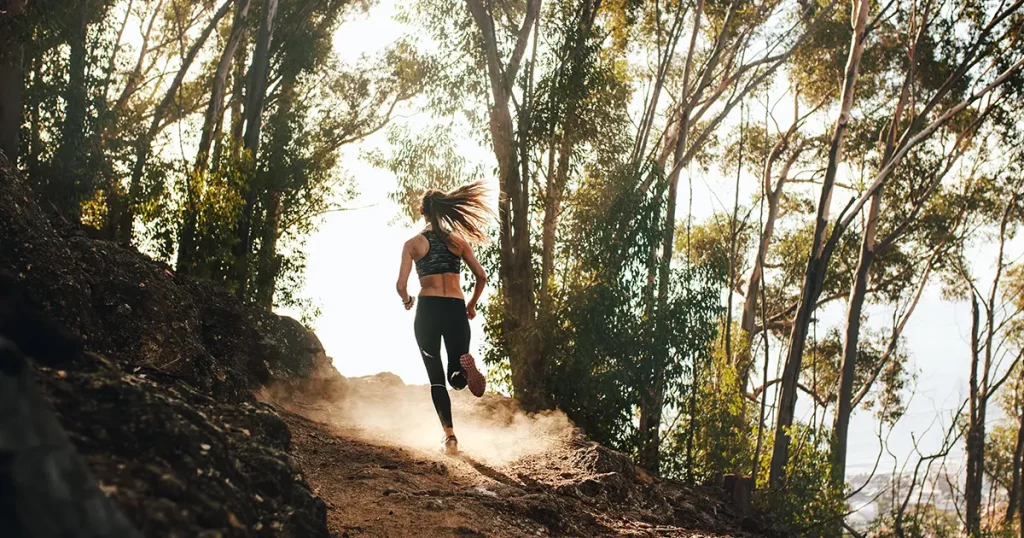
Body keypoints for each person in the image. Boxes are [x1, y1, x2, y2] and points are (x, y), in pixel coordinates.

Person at [396, 181, 492, 455]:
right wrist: (471, 305)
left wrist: (407, 300)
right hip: (455, 307)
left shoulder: (413, 244)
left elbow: (401, 285)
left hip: (428, 309)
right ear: (445, 211)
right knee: (456, 377)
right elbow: (482, 276)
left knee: (436, 377)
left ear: (424, 212)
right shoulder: (458, 242)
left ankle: (450, 437)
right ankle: (464, 367)